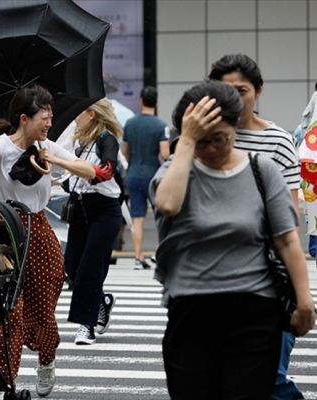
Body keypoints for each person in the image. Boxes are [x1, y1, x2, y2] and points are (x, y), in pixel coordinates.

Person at [151, 80, 315, 399]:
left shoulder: (261, 170)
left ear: (235, 130)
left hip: (254, 313)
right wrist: (186, 143)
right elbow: (168, 204)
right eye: (202, 141)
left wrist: (304, 300)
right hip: (191, 314)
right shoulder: (177, 170)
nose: (211, 149)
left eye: (220, 139)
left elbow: (287, 241)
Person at [0, 85, 95, 397]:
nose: (50, 122)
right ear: (24, 118)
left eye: (51, 116)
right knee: (5, 307)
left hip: (38, 231)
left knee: (42, 306)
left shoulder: (46, 145)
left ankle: (46, 360)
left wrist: (55, 159)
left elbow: (90, 171)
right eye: (45, 116)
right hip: (4, 231)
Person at [208, 53, 304, 400]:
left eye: (242, 90)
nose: (233, 97)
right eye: (224, 90)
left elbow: (290, 217)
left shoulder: (278, 142)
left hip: (268, 279)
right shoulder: (201, 139)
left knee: (270, 379)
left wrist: (299, 293)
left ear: (258, 92)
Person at [64, 99, 123, 345]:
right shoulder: (80, 143)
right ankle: (101, 302)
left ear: (91, 113)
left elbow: (108, 170)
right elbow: (70, 179)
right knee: (72, 266)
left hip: (105, 211)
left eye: (79, 111)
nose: (74, 116)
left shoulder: (107, 140)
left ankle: (86, 325)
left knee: (90, 267)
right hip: (80, 208)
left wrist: (89, 175)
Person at [122, 86, 169, 270]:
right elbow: (165, 154)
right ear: (156, 102)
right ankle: (158, 253)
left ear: (141, 101)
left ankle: (138, 257)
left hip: (133, 174)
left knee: (137, 218)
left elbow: (125, 152)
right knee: (160, 216)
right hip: (153, 176)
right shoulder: (161, 125)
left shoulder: (130, 123)